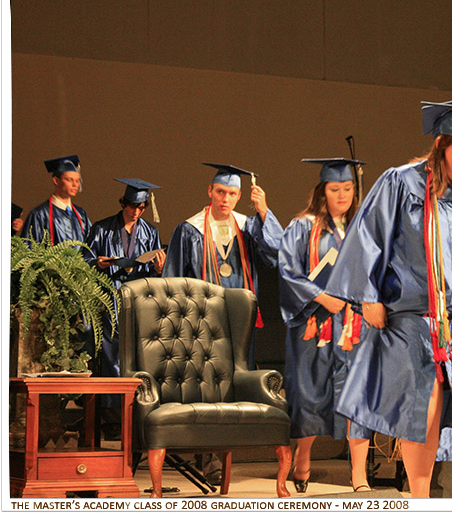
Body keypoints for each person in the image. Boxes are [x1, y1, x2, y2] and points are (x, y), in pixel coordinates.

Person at [325, 96, 452, 498]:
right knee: (425, 411)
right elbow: (368, 236)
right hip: (416, 320)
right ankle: (419, 499)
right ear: (440, 147)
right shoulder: (402, 183)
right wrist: (368, 296)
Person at [162, 162, 283, 485]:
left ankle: (223, 451)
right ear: (209, 192)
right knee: (204, 386)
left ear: (239, 195)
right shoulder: (189, 230)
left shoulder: (248, 226)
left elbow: (277, 253)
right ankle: (209, 455)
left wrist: (263, 210)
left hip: (239, 323)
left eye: (231, 193)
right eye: (220, 192)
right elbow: (172, 279)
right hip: (201, 323)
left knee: (232, 385)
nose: (225, 199)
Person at [278, 157, 373, 493]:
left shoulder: (361, 229)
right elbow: (288, 272)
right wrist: (321, 298)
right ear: (322, 191)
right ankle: (302, 461)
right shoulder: (302, 227)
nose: (342, 195)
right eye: (336, 189)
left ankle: (359, 476)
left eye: (348, 188)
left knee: (357, 397)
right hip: (313, 326)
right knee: (309, 396)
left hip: (353, 327)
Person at [84, 178, 166, 438]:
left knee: (137, 356)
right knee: (110, 358)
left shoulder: (150, 233)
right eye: (131, 205)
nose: (136, 211)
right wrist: (97, 262)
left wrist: (159, 269)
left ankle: (136, 414)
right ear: (122, 203)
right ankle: (111, 419)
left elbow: (154, 266)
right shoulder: (101, 229)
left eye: (141, 207)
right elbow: (83, 259)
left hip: (136, 300)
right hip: (108, 300)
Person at [21, 154, 91, 244]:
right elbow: (29, 249)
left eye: (77, 180)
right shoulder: (40, 214)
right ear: (56, 181)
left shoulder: (81, 214)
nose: (75, 184)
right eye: (69, 180)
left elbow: (91, 247)